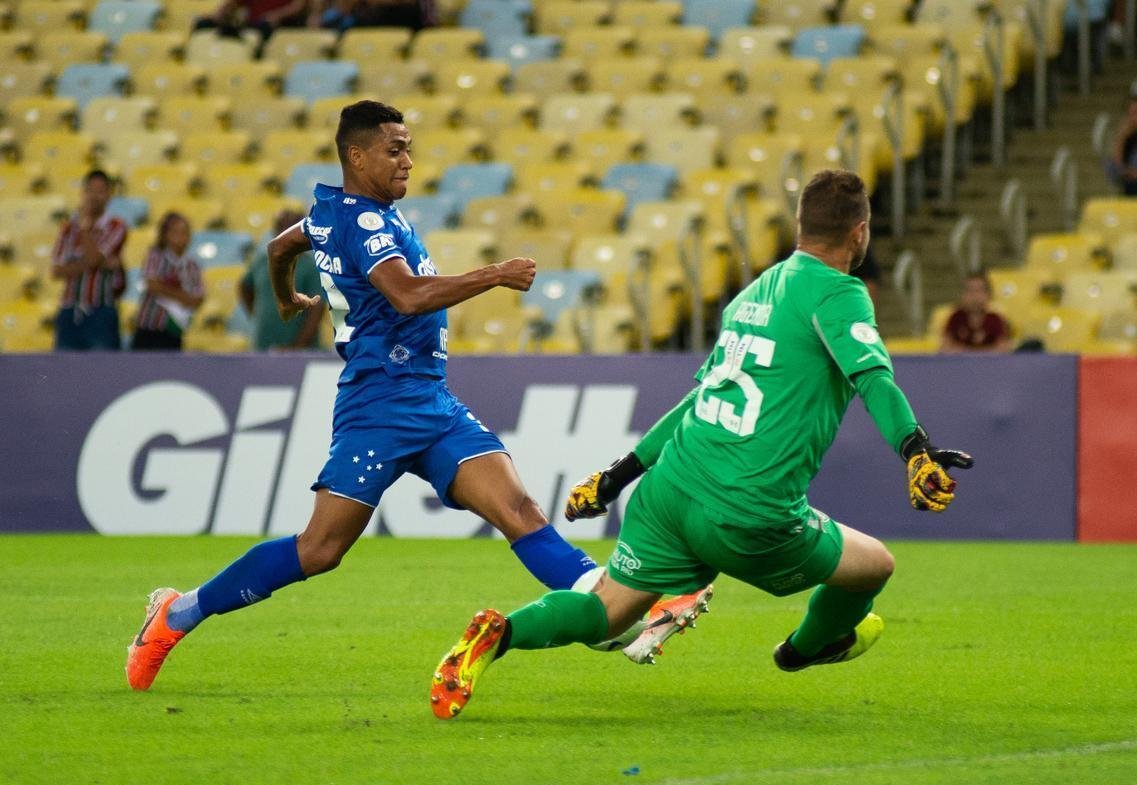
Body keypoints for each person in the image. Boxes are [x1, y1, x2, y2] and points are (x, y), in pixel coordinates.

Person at [125, 100, 708, 691]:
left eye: (408, 148)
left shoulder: (336, 212)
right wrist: (494, 274)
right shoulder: (364, 222)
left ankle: (610, 604)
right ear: (357, 156)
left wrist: (284, 297)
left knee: (519, 511)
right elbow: (405, 295)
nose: (407, 160)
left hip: (430, 399)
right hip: (378, 406)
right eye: (395, 149)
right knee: (320, 550)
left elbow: (279, 249)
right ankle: (177, 613)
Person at [429, 170, 975, 720]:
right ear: (860, 232)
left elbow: (697, 401)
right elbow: (873, 377)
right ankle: (804, 649)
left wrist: (617, 476)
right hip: (747, 508)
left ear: (800, 226)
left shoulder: (752, 294)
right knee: (874, 566)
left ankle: (499, 634)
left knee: (608, 612)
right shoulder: (839, 292)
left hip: (671, 489)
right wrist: (915, 449)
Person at [50, 169, 127, 351]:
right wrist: (101, 264)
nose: (94, 196)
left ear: (109, 194)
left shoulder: (115, 226)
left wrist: (84, 229)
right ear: (83, 193)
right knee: (64, 363)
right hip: (70, 309)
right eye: (90, 190)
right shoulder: (68, 229)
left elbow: (93, 259)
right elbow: (56, 270)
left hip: (101, 310)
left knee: (101, 364)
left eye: (100, 191)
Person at [239, 208, 326, 351]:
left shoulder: (310, 267)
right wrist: (257, 314)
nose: (286, 233)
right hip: (263, 345)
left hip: (300, 351)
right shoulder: (261, 262)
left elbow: (316, 310)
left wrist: (297, 347)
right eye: (281, 227)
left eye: (292, 227)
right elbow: (244, 287)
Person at [130, 212, 206, 351]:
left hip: (175, 330)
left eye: (184, 232)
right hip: (150, 327)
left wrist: (185, 298)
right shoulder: (155, 256)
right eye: (175, 232)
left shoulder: (192, 265)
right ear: (165, 235)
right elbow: (151, 284)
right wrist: (182, 296)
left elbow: (199, 296)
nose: (181, 237)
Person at [940, 273, 1012, 353]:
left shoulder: (995, 319)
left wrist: (967, 351)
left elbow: (1003, 349)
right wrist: (982, 351)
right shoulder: (955, 318)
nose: (974, 295)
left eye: (979, 290)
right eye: (970, 290)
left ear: (988, 295)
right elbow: (945, 348)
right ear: (962, 295)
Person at [194, 0, 310, 42]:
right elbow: (233, 3)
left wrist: (277, 15)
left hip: (275, 26)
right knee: (203, 24)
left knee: (264, 27)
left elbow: (298, 6)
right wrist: (218, 14)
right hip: (252, 25)